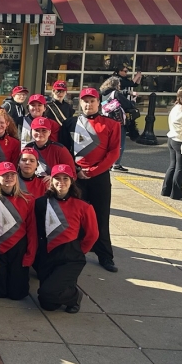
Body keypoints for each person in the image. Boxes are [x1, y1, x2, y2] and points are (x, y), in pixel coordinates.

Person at [59, 87, 120, 273]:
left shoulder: (111, 125)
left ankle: (105, 256)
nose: (88, 104)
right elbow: (64, 150)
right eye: (85, 101)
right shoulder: (70, 123)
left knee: (101, 216)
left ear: (98, 103)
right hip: (76, 177)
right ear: (80, 103)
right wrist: (75, 170)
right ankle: (74, 252)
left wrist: (93, 171)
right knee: (74, 217)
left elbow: (113, 153)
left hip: (99, 177)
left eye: (92, 101)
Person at [33, 165, 98, 313]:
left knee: (47, 293)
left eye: (65, 178)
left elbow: (92, 234)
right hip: (48, 255)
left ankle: (75, 296)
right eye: (57, 178)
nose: (61, 182)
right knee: (47, 305)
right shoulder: (41, 203)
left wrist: (79, 251)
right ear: (51, 181)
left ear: (72, 181)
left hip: (70, 257)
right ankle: (67, 288)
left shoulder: (84, 207)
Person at [0, 163, 36, 301]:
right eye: (4, 175)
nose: (9, 177)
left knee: (18, 294)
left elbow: (32, 230)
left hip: (19, 251)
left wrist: (29, 256)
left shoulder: (28, 199)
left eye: (12, 174)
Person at [99, 75, 139, 172]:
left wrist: (128, 92)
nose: (120, 86)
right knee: (120, 144)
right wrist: (133, 100)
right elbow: (128, 104)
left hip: (106, 120)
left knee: (108, 143)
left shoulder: (104, 93)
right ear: (116, 85)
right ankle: (116, 164)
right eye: (119, 84)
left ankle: (107, 163)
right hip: (118, 122)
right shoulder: (115, 93)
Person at [162, 87, 182, 201]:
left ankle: (166, 190)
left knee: (173, 165)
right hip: (180, 141)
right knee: (180, 168)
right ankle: (176, 193)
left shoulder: (175, 108)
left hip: (171, 139)